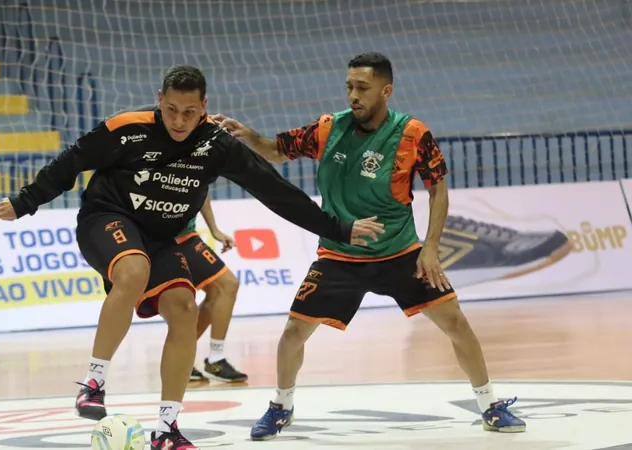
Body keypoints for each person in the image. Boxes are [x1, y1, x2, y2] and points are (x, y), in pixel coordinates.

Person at [0, 64, 384, 450]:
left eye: (189, 112)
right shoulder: (127, 128)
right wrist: (25, 201)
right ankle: (94, 383)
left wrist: (338, 227)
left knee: (185, 308)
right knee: (134, 270)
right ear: (159, 100)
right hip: (106, 218)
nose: (179, 120)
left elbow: (275, 192)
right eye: (171, 110)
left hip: (164, 235)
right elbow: (71, 162)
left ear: (204, 107)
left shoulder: (217, 145)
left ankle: (167, 427)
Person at [213, 52, 526, 441]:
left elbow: (438, 189)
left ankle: (490, 406)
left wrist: (430, 248)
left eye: (362, 87)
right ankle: (281, 406)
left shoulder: (413, 134)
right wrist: (249, 137)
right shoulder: (330, 128)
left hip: (400, 253)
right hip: (340, 253)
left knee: (456, 323)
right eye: (349, 86)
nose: (353, 95)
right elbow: (276, 150)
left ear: (386, 90)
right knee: (294, 331)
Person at [175, 195, 248, 383]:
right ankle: (214, 358)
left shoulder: (197, 167)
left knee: (218, 292)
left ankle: (182, 357)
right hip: (171, 239)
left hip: (187, 236)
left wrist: (214, 229)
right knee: (227, 286)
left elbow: (202, 189)